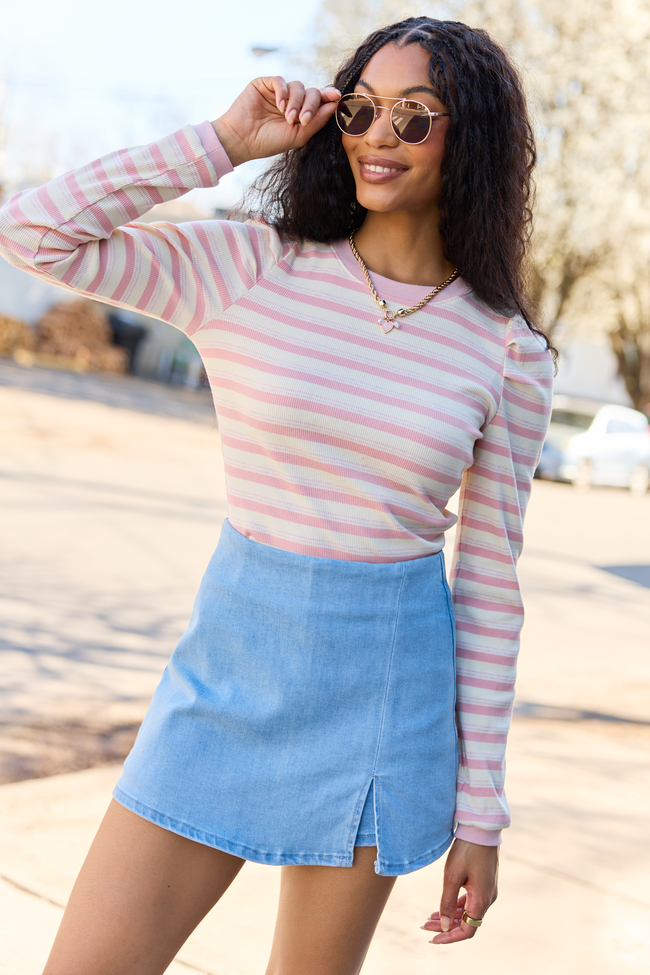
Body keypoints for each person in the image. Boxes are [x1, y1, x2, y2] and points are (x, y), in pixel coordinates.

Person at [0, 16, 554, 975]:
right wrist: (218, 141)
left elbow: (492, 588)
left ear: (475, 143)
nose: (381, 136)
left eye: (417, 119)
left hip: (384, 707)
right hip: (224, 682)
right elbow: (32, 232)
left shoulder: (506, 349)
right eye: (366, 110)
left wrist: (481, 813)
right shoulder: (249, 266)